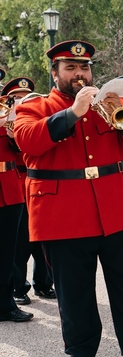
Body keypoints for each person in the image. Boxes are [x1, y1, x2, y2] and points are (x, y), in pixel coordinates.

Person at [15, 41, 123, 356]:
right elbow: (27, 141)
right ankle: (81, 349)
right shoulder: (34, 106)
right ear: (54, 73)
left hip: (120, 209)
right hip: (64, 216)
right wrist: (71, 113)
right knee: (75, 293)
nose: (79, 74)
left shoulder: (111, 101)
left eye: (84, 67)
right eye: (70, 68)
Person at [6, 77, 55, 307]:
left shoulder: (35, 115)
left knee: (43, 237)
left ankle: (44, 283)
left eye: (23, 98)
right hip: (17, 180)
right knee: (20, 241)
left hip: (39, 180)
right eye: (15, 98)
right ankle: (19, 287)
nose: (20, 102)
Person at [0, 69, 34, 324]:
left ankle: (5, 303)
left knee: (7, 251)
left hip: (9, 187)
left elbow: (20, 150)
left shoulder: (5, 110)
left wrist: (14, 135)